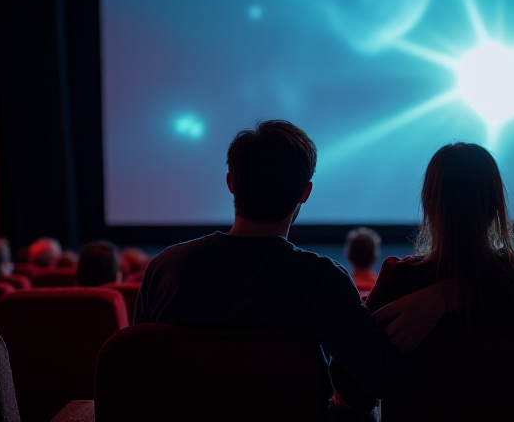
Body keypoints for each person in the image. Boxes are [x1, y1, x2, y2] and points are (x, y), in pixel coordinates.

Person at [134, 120, 443, 418]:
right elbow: (380, 379)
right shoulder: (322, 281)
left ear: (231, 183)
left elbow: (139, 370)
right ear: (305, 192)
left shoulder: (164, 269)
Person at [365, 142, 514, 329]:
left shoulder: (399, 281)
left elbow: (352, 363)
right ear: (495, 207)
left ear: (428, 204)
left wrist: (449, 294)